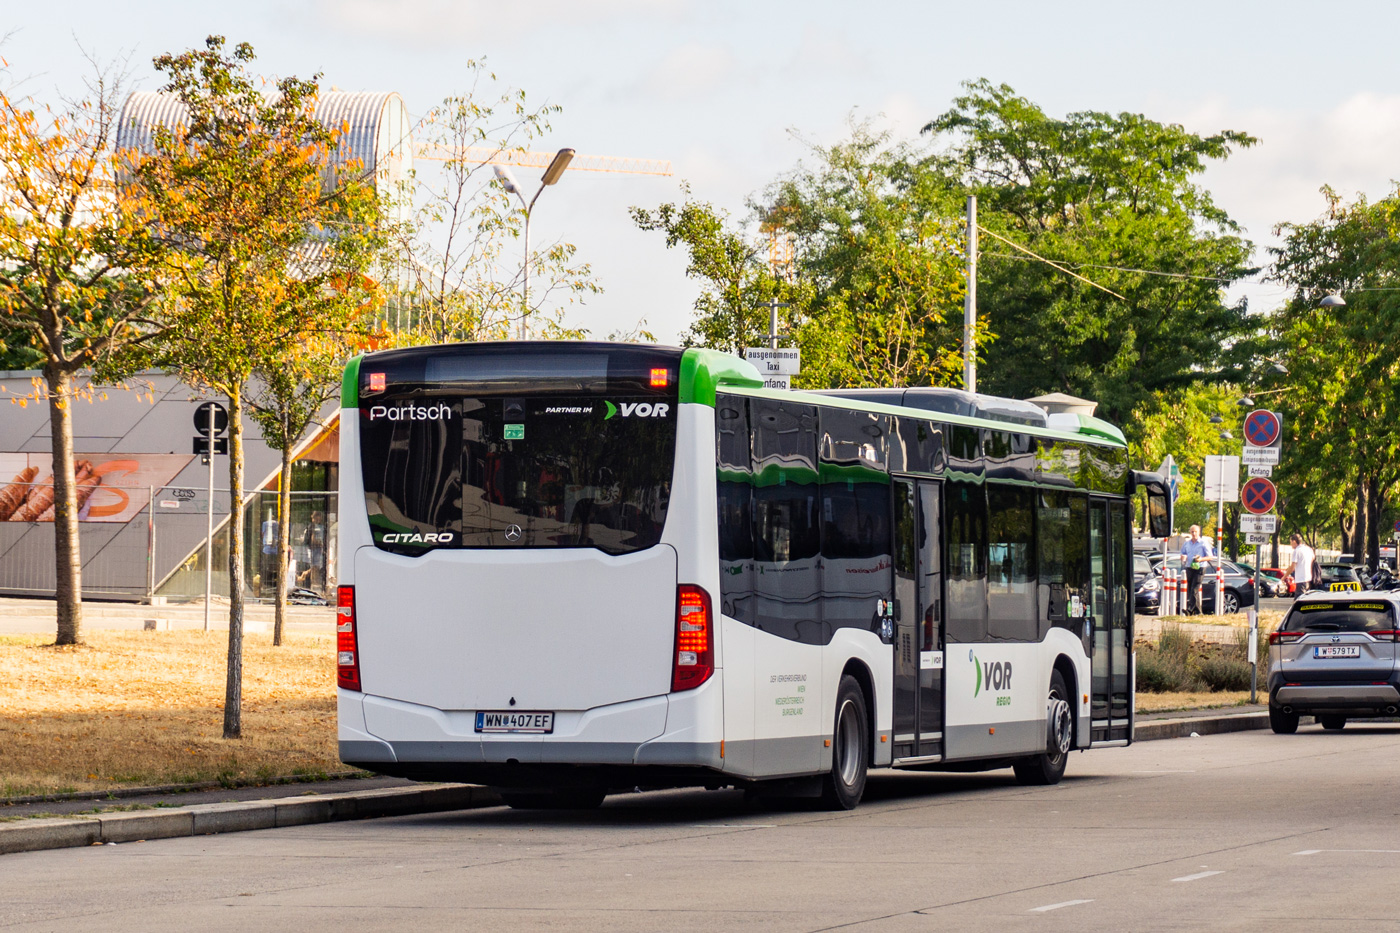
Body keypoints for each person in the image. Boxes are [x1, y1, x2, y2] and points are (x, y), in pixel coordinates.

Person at [1179, 524, 1217, 615]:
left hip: (1200, 568)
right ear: (1190, 532)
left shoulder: (1203, 543)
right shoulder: (1187, 543)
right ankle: (1198, 612)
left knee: (1194, 589)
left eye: (1195, 532)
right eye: (1192, 532)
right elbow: (1182, 553)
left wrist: (1200, 559)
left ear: (1199, 532)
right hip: (1189, 567)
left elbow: (1210, 557)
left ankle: (1189, 609)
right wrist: (1183, 557)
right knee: (1191, 589)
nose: (1194, 533)